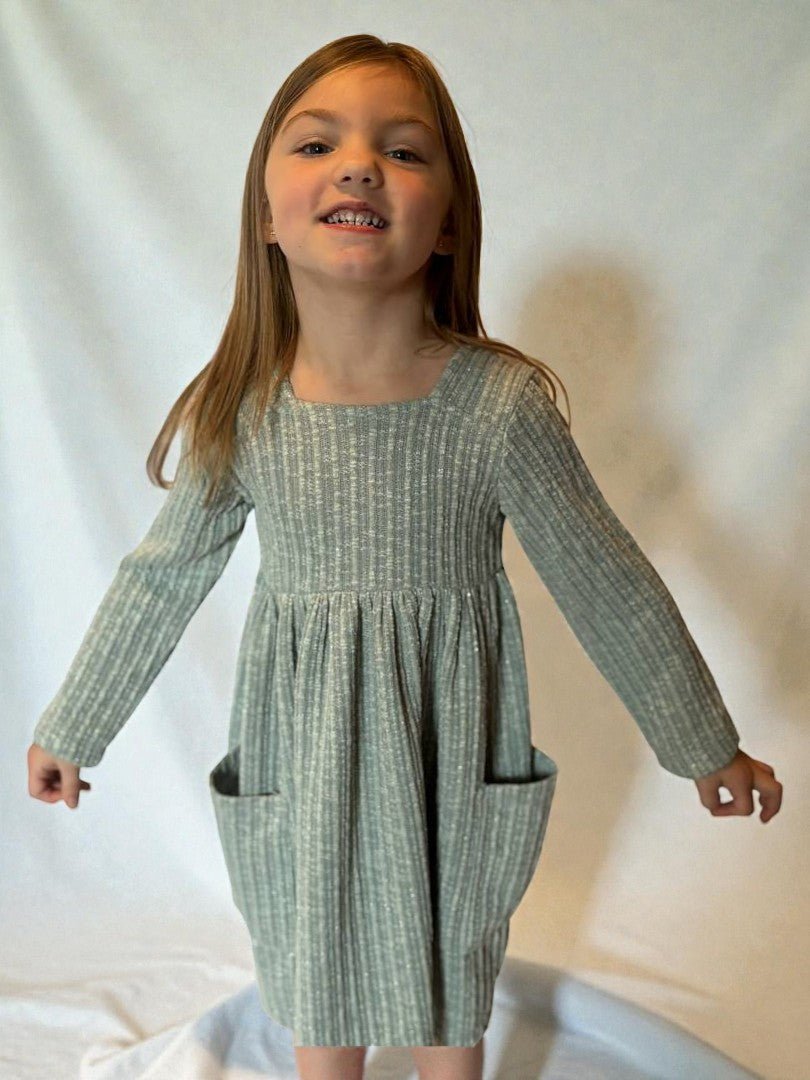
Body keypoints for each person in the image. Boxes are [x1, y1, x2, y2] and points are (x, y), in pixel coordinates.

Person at [28, 33, 782, 1080]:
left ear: (450, 222)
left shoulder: (499, 408)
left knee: (450, 954)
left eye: (404, 150)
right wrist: (78, 723)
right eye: (317, 142)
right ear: (264, 213)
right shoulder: (242, 412)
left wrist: (706, 743)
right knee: (311, 951)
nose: (358, 164)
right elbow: (162, 574)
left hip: (451, 748)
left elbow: (607, 579)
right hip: (305, 755)